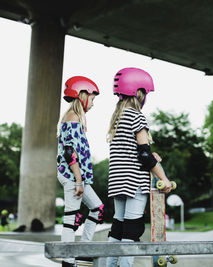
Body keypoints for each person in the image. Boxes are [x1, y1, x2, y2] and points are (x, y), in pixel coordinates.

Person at [106, 67, 172, 267]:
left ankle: (109, 265)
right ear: (139, 93)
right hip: (134, 182)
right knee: (132, 230)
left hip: (118, 181)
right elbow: (143, 155)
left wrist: (150, 154)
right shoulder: (137, 116)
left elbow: (131, 151)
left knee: (118, 227)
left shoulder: (117, 118)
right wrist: (164, 178)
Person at [57, 76, 104, 267]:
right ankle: (68, 261)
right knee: (71, 217)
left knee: (97, 208)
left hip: (78, 177)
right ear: (82, 95)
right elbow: (70, 153)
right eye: (92, 98)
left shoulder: (75, 118)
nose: (93, 103)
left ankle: (84, 250)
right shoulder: (73, 118)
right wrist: (78, 180)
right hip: (72, 176)